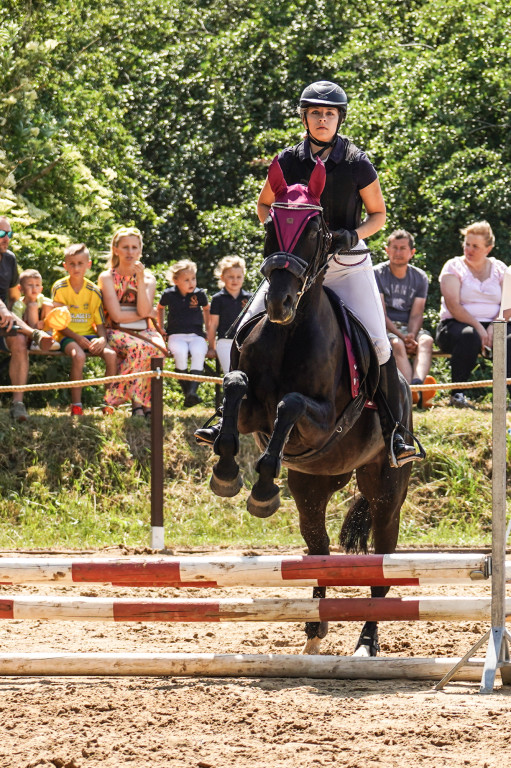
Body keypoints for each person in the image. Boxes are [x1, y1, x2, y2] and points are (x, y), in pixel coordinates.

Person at [196, 80, 418, 466]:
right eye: (315, 112)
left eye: (329, 113)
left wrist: (354, 234)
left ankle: (395, 431)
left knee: (381, 345)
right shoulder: (287, 160)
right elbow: (264, 205)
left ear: (339, 119)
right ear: (304, 117)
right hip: (295, 267)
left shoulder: (356, 162)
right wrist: (279, 237)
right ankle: (223, 416)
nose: (322, 119)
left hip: (344, 264)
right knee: (238, 334)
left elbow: (378, 214)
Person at [436, 220, 511, 407]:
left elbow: (508, 304)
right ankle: (457, 395)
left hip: (497, 323)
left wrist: (495, 326)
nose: (468, 249)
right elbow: (453, 305)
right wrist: (479, 328)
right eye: (466, 244)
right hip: (456, 325)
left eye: (475, 246)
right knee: (469, 336)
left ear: (488, 248)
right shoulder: (453, 266)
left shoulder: (500, 268)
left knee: (509, 340)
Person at [97, 226, 165, 419]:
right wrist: (143, 313)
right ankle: (138, 404)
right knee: (139, 348)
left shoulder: (148, 279)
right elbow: (117, 316)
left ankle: (145, 403)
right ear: (116, 249)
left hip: (145, 331)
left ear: (140, 251)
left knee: (157, 349)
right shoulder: (107, 277)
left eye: (134, 247)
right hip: (115, 330)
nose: (130, 252)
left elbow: (144, 311)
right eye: (125, 247)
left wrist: (140, 279)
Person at [0, 217, 56, 422]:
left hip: (4, 320)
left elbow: (14, 297)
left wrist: (21, 313)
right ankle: (35, 334)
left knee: (20, 343)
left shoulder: (10, 259)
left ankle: (18, 404)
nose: (6, 239)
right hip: (2, 314)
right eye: (1, 234)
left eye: (9, 234)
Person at [51, 244, 117, 416]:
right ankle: (77, 406)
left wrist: (102, 340)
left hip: (88, 334)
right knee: (78, 356)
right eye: (71, 264)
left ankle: (108, 404)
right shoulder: (59, 287)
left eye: (80, 263)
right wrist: (77, 338)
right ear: (65, 266)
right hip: (66, 334)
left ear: (89, 264)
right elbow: (58, 322)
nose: (76, 267)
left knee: (111, 355)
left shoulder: (94, 291)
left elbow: (100, 325)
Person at [374, 230, 437, 408]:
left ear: (412, 252)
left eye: (403, 248)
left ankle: (417, 385)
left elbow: (417, 313)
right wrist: (403, 338)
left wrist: (411, 334)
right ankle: (411, 393)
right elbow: (381, 314)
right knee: (396, 345)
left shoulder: (419, 277)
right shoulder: (376, 273)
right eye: (394, 248)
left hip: (409, 328)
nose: (398, 252)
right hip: (386, 327)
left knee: (426, 341)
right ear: (387, 250)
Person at [157, 259, 210, 407]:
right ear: (175, 280)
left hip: (197, 334)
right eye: (186, 280)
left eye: (193, 278)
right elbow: (159, 308)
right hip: (176, 334)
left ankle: (191, 393)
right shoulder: (169, 294)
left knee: (198, 352)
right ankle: (190, 394)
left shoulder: (199, 294)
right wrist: (161, 329)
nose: (191, 282)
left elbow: (206, 309)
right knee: (180, 353)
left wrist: (207, 329)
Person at [206, 256, 252, 374]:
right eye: (231, 277)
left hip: (245, 342)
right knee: (231, 374)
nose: (235, 280)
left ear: (243, 277)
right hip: (225, 342)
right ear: (222, 277)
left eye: (238, 277)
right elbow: (213, 324)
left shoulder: (250, 298)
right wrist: (211, 347)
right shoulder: (218, 299)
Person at [12, 269, 54, 334]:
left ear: (41, 289)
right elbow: (17, 322)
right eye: (30, 285)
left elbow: (54, 303)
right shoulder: (19, 305)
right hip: (28, 330)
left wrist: (68, 306)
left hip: (42, 327)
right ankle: (35, 338)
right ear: (20, 288)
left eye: (37, 285)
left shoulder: (40, 298)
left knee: (48, 305)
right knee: (32, 306)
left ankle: (49, 333)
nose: (34, 288)